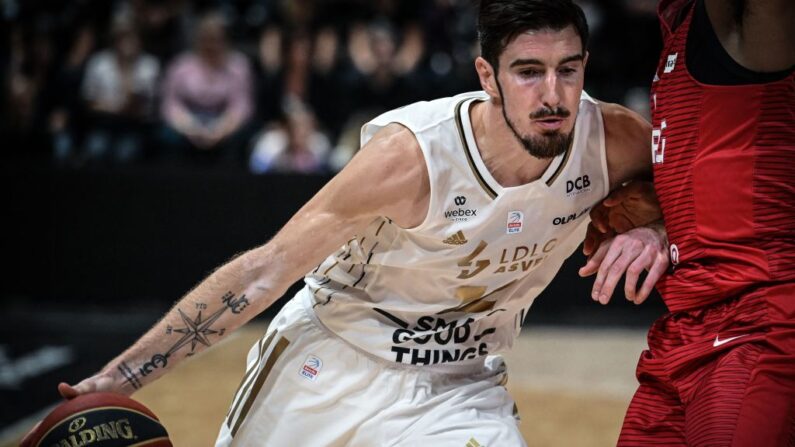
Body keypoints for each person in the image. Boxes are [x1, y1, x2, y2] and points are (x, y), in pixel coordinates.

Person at [24, 1, 666, 445]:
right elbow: (266, 270)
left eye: (569, 69)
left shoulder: (611, 140)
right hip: (333, 362)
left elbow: (694, 191)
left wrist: (655, 225)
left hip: (462, 384)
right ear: (487, 77)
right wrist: (125, 376)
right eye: (529, 72)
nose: (554, 95)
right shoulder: (411, 157)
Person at [583, 0, 794, 445]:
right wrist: (665, 221)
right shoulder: (677, 25)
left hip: (760, 322)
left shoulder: (753, 24)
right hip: (685, 327)